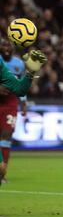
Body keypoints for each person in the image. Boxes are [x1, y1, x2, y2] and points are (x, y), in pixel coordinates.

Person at [0, 46, 47, 184]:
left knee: (1, 168)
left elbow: (20, 89)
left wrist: (30, 72)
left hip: (9, 103)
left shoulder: (2, 66)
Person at [0, 38, 27, 184]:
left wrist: (23, 102)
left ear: (13, 48)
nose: (6, 48)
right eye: (3, 44)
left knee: (6, 135)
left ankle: (2, 173)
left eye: (8, 45)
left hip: (11, 103)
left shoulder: (19, 64)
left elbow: (22, 84)